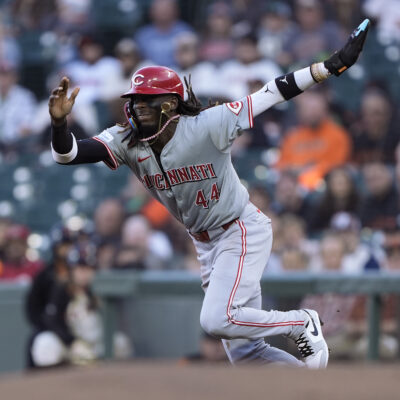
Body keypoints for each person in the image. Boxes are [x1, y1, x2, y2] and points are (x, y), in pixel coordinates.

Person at [48, 19, 371, 369]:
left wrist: (330, 67)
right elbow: (67, 154)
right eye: (135, 99)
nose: (137, 105)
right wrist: (59, 124)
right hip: (205, 244)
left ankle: (299, 322)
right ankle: (313, 387)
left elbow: (273, 91)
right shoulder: (126, 141)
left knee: (216, 320)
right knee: (246, 355)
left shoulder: (208, 124)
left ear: (170, 104)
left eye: (147, 100)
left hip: (239, 228)